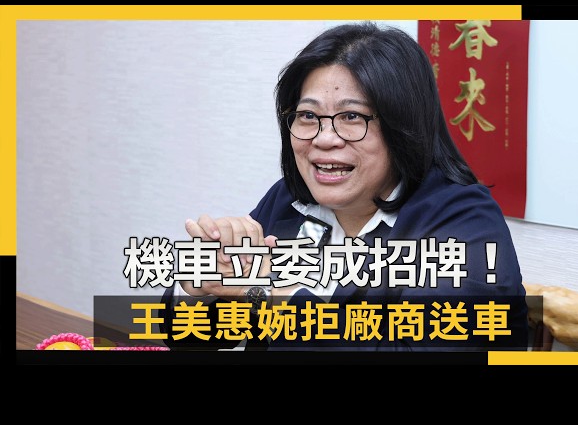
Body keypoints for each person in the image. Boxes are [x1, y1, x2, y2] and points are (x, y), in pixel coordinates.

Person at [160, 21, 529, 352]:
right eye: (308, 115)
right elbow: (191, 338)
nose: (324, 138)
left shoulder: (465, 223)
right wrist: (201, 285)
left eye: (351, 116)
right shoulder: (288, 199)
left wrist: (262, 293)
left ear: (403, 126)